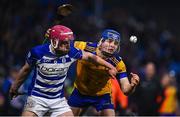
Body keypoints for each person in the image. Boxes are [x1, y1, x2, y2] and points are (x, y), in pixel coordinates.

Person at [9, 25, 117, 117]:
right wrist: (14, 87)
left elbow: (90, 57)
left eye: (69, 42)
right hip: (36, 98)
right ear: (54, 41)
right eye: (64, 43)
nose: (68, 46)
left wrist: (110, 67)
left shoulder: (71, 52)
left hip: (58, 99)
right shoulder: (37, 52)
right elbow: (25, 70)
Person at [67, 29, 140, 116]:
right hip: (80, 92)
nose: (112, 45)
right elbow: (65, 46)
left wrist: (132, 85)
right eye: (109, 41)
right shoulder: (84, 47)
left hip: (102, 96)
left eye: (116, 43)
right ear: (101, 41)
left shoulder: (118, 63)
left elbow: (126, 90)